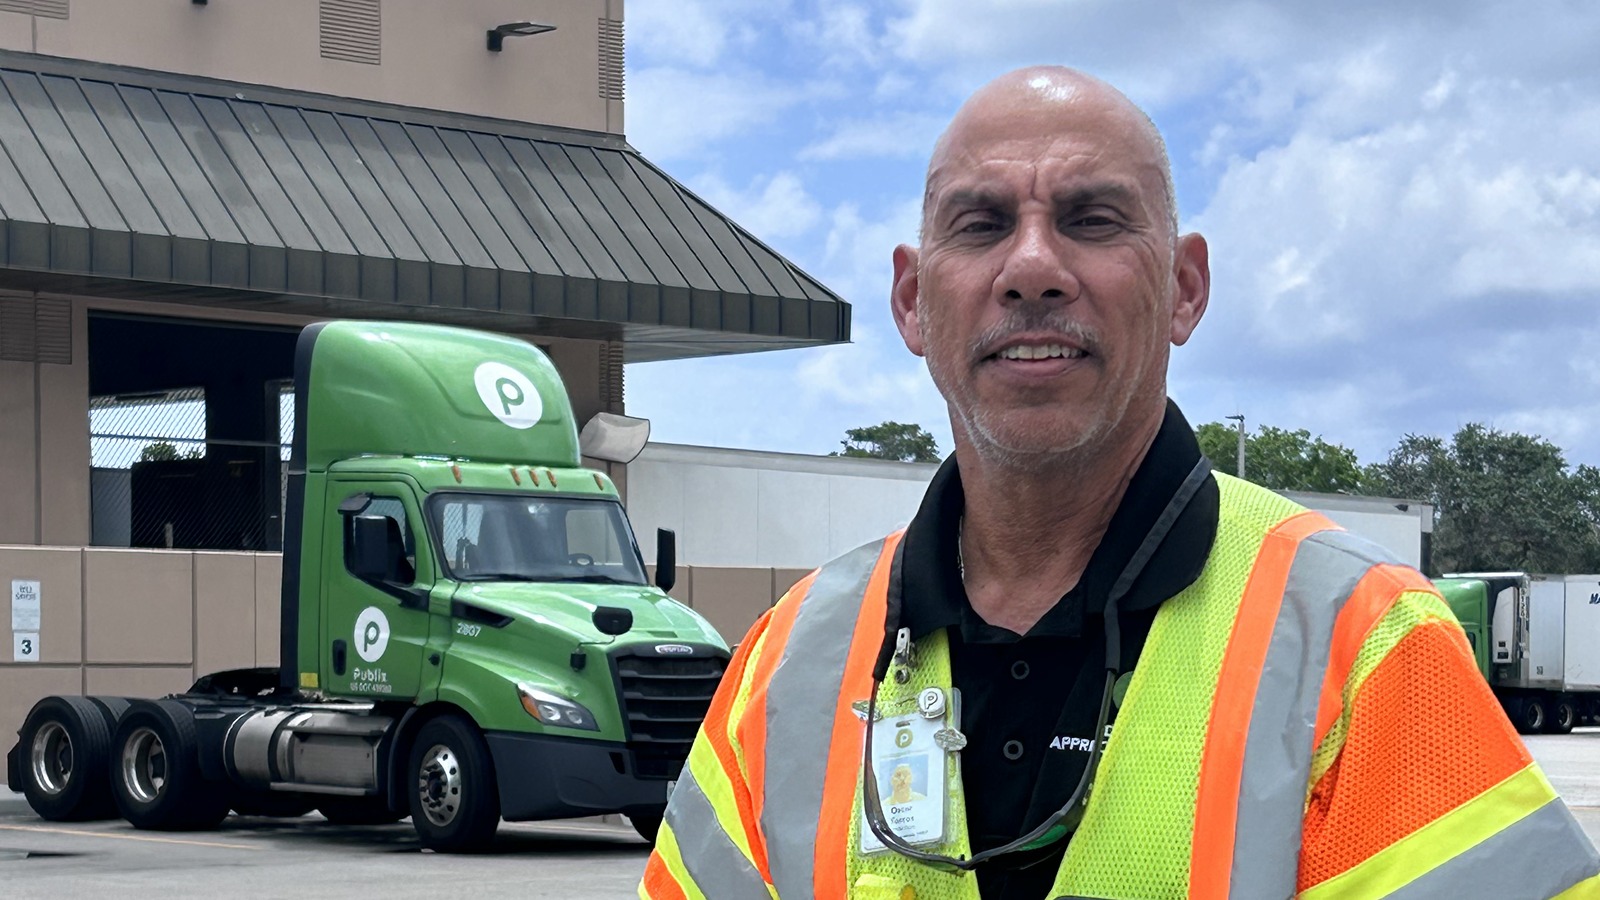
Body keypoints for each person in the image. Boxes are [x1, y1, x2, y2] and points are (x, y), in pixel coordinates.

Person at [640, 65, 1600, 899]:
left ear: (1184, 288)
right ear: (912, 300)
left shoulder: (1364, 645)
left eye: (1090, 220)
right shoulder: (783, 665)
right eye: (979, 226)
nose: (1030, 267)